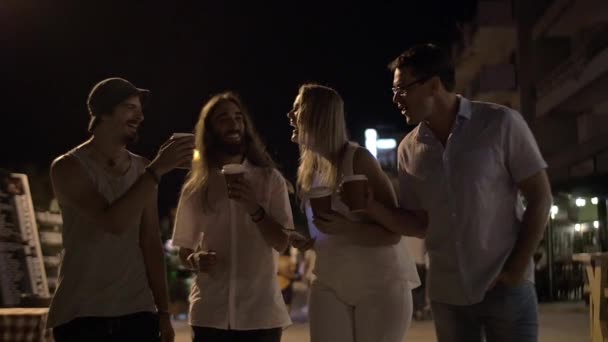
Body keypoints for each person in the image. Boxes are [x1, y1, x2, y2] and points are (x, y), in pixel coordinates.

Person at [366, 43, 553, 342]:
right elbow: (418, 223)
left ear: (434, 85)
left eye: (402, 89)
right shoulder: (408, 150)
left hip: (504, 285)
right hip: (448, 295)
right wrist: (371, 207)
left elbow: (540, 196)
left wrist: (516, 268)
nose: (396, 99)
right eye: (393, 91)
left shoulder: (499, 123)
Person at [47, 77, 195, 341]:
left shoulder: (142, 168)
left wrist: (163, 313)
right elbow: (113, 222)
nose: (140, 116)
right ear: (104, 112)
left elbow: (150, 243)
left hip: (138, 313)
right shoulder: (68, 167)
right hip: (82, 315)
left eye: (140, 109)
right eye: (130, 107)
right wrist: (158, 170)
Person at [287, 83, 422, 342]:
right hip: (330, 280)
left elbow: (393, 234)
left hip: (379, 284)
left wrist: (344, 228)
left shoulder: (358, 159)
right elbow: (330, 235)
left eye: (297, 109)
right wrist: (311, 242)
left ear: (318, 115)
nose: (290, 116)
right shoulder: (309, 169)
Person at [171, 91, 293, 342]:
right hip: (210, 314)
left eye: (238, 117)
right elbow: (183, 250)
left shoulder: (270, 180)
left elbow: (282, 242)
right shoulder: (197, 186)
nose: (234, 123)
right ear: (210, 130)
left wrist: (253, 207)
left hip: (260, 315)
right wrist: (194, 260)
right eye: (223, 118)